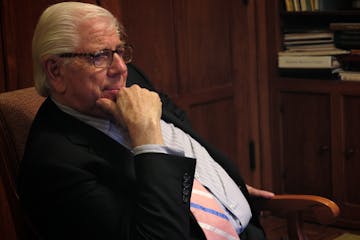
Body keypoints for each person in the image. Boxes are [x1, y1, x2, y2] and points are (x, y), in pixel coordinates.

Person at [18, 2, 274, 240]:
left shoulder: (131, 80)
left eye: (119, 51)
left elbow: (181, 129)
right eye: (99, 56)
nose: (120, 69)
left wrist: (221, 186)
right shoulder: (53, 165)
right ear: (55, 71)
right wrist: (147, 138)